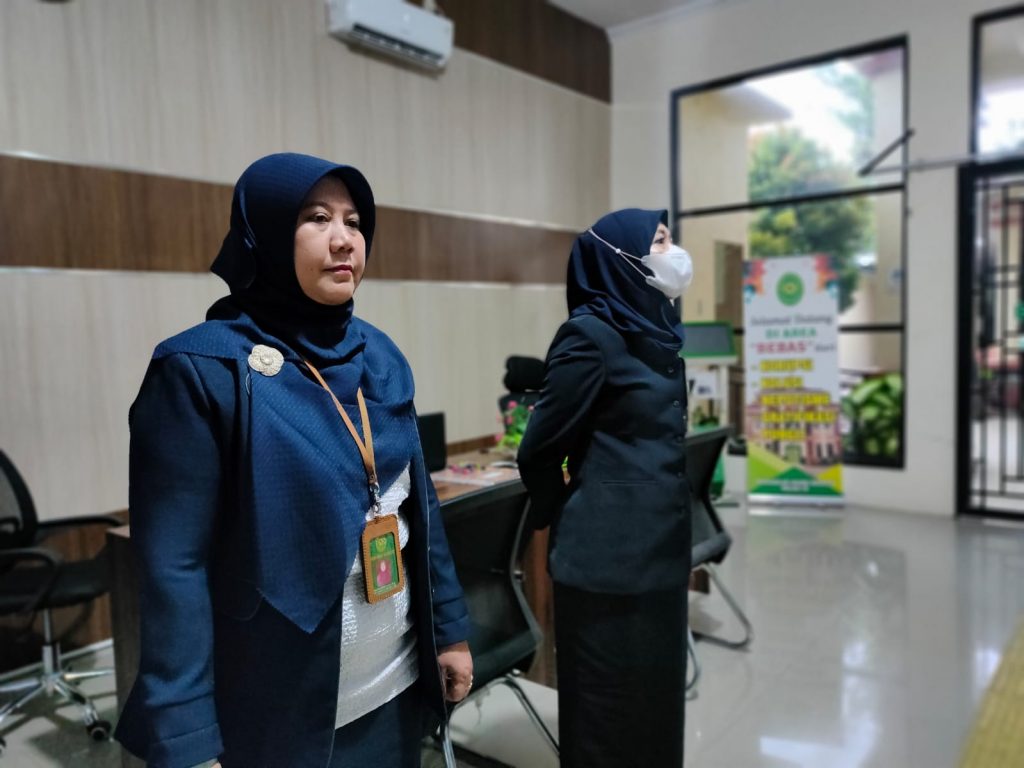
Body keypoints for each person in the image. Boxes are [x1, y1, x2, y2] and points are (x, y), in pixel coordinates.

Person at [114, 153, 473, 768]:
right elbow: (175, 566)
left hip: (395, 682)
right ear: (267, 235)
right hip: (281, 710)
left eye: (355, 222)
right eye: (316, 218)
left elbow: (419, 508)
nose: (344, 239)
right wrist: (185, 736)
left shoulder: (380, 356)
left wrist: (450, 628)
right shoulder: (201, 370)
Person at [516, 208, 693, 768]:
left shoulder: (656, 328)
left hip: (662, 555)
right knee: (608, 719)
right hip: (605, 564)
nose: (672, 251)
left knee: (657, 709)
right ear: (621, 258)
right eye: (659, 241)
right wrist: (568, 509)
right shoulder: (590, 335)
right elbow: (540, 449)